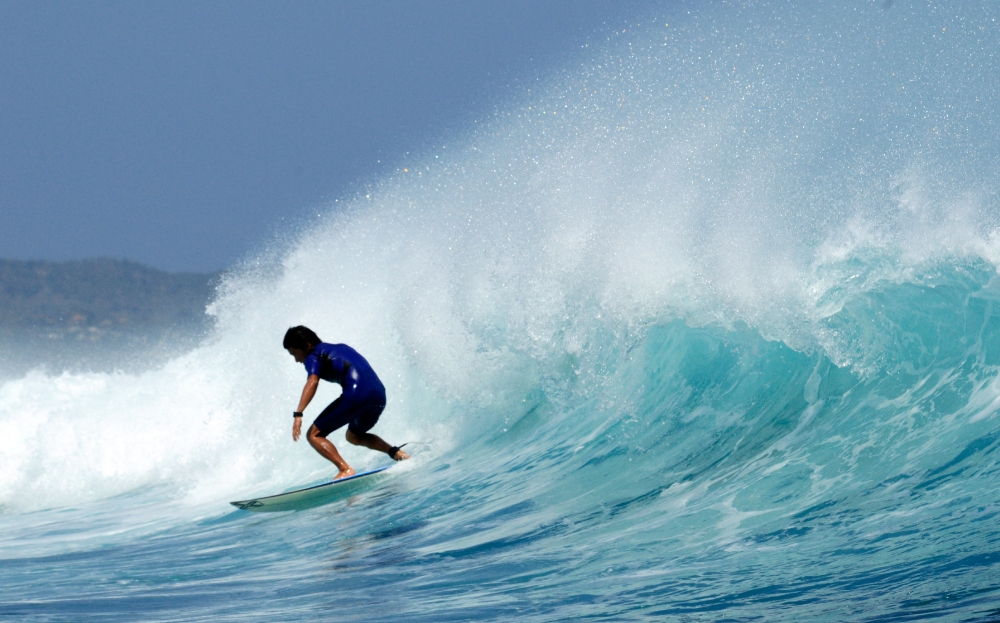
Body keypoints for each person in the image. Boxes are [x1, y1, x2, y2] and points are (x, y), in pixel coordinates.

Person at [283, 325, 409, 479]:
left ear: (307, 345)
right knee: (354, 436)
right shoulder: (341, 347)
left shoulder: (313, 356)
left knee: (314, 435)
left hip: (357, 393)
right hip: (379, 394)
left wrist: (298, 414)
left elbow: (313, 381)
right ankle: (397, 454)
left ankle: (345, 469)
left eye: (295, 353)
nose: (296, 360)